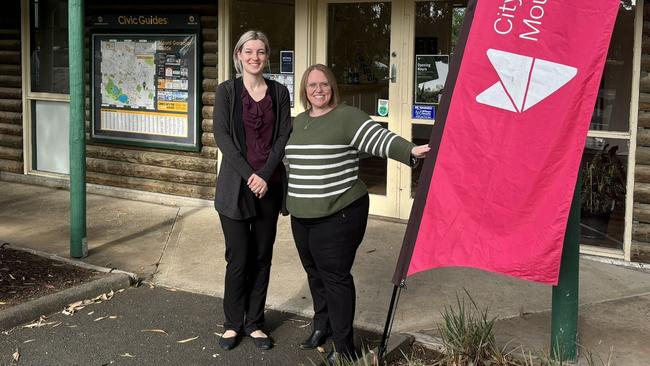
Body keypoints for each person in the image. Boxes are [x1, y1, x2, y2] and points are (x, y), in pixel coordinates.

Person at [286, 64, 430, 365]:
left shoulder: (347, 117)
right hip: (302, 215)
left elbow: (379, 138)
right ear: (304, 90)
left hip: (338, 212)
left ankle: (344, 347)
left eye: (324, 84)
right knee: (315, 275)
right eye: (312, 85)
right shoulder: (299, 122)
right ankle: (321, 327)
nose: (318, 90)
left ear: (333, 87)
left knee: (335, 278)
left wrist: (410, 152)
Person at [212, 30, 291, 351]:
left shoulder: (279, 92)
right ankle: (233, 324)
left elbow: (283, 136)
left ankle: (255, 323)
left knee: (262, 256)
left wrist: (265, 174)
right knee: (239, 256)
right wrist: (250, 175)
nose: (255, 57)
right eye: (249, 51)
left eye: (260, 52)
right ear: (239, 55)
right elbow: (222, 137)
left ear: (266, 56)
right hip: (235, 187)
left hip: (269, 188)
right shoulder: (226, 91)